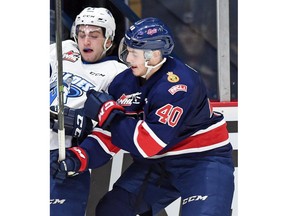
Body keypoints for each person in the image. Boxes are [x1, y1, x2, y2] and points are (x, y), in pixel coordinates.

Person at [52, 17, 235, 216]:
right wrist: (81, 157)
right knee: (113, 211)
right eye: (128, 50)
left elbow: (148, 143)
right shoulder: (123, 82)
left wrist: (110, 115)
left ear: (154, 55)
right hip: (157, 166)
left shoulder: (179, 85)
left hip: (202, 161)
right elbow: (109, 134)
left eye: (134, 53)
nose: (128, 59)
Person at [49, 7, 127, 216]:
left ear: (108, 40)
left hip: (64, 158)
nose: (86, 41)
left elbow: (118, 122)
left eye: (94, 36)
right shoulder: (63, 50)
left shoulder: (117, 72)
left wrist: (87, 124)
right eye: (81, 35)